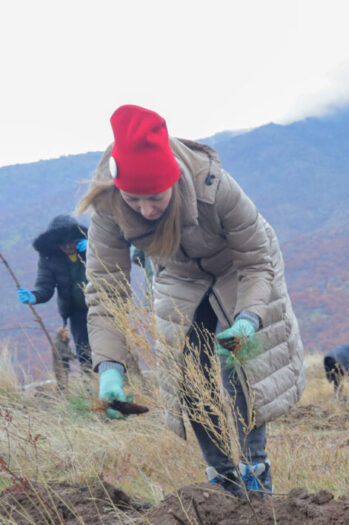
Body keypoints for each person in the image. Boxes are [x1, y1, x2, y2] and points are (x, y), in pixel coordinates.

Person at [80, 104, 305, 497]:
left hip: (243, 266)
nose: (146, 211)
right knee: (189, 374)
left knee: (238, 362)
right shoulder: (108, 210)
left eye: (155, 198)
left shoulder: (213, 186)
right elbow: (106, 290)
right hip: (179, 274)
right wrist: (110, 368)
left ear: (173, 182)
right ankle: (222, 477)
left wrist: (249, 318)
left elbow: (256, 260)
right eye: (134, 200)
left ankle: (256, 468)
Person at [17, 215, 92, 367]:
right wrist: (34, 296)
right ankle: (91, 382)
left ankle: (123, 381)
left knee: (109, 343)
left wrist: (95, 248)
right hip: (76, 311)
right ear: (56, 244)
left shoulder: (92, 248)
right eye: (62, 243)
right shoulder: (49, 258)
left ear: (77, 238)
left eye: (71, 241)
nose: (68, 246)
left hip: (102, 305)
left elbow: (112, 264)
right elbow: (45, 286)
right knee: (83, 350)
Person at [52, 327, 74, 392]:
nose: (67, 333)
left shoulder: (66, 342)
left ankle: (64, 397)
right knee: (61, 384)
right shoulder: (57, 343)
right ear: (61, 333)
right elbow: (59, 355)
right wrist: (70, 356)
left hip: (66, 365)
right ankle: (60, 397)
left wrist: (74, 355)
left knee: (66, 383)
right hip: (59, 367)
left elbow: (68, 352)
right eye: (65, 332)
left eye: (68, 332)